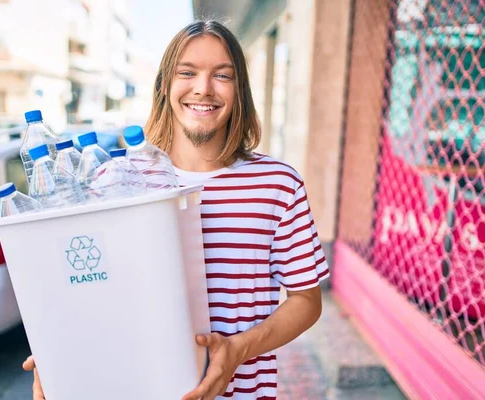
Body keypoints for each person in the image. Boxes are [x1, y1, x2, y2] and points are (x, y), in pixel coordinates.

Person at [23, 19, 329, 400]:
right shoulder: (113, 180)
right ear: (165, 85)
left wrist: (239, 350)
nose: (203, 88)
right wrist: (59, 355)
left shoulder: (278, 183)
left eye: (223, 75)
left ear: (240, 91)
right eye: (188, 72)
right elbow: (85, 288)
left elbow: (306, 300)